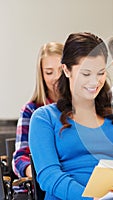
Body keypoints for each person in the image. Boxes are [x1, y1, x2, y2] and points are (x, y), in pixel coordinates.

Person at [29, 32, 113, 199]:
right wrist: (91, 198)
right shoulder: (43, 118)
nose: (94, 82)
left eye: (100, 73)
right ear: (66, 70)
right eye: (86, 74)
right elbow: (49, 176)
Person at [13, 42, 63, 178]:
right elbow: (19, 159)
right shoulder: (32, 110)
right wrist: (40, 175)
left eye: (61, 70)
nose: (56, 77)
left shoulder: (82, 107)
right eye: (49, 72)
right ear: (41, 75)